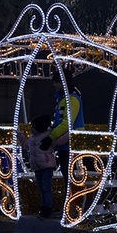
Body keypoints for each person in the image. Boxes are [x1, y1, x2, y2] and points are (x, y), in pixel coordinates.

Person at [41, 67, 84, 198]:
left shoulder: (72, 99)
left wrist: (51, 136)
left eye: (57, 82)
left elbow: (67, 123)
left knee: (70, 176)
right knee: (67, 175)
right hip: (65, 143)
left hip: (71, 144)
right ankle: (68, 205)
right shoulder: (64, 99)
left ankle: (71, 205)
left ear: (63, 82)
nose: (54, 85)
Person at [19, 114, 57, 218]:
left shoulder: (48, 136)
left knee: (46, 188)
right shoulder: (32, 138)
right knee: (41, 188)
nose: (31, 128)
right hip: (37, 166)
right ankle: (44, 207)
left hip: (46, 166)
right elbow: (27, 146)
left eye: (33, 126)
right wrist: (20, 136)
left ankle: (47, 208)